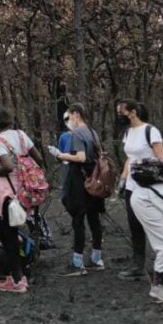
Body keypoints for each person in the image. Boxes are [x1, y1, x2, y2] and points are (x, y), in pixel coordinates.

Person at [0, 107, 44, 293]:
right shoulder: (21, 135)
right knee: (18, 232)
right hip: (24, 191)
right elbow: (39, 158)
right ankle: (22, 272)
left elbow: (8, 166)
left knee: (7, 236)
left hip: (6, 193)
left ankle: (17, 279)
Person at [48, 103, 103, 276]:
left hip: (80, 182)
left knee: (78, 220)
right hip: (94, 180)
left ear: (76, 114)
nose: (69, 120)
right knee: (94, 219)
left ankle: (77, 263)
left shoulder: (77, 133)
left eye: (70, 116)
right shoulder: (93, 132)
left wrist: (60, 155)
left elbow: (80, 157)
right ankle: (96, 258)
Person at [115, 99, 163, 281]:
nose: (119, 115)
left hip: (150, 185)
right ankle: (139, 266)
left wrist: (143, 164)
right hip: (131, 185)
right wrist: (122, 179)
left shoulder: (151, 131)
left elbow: (161, 159)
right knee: (134, 225)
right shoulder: (128, 133)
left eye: (121, 111)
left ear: (133, 112)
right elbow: (130, 158)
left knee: (156, 225)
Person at [58, 111, 73, 202]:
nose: (68, 121)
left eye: (69, 118)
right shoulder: (63, 137)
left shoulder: (84, 133)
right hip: (67, 166)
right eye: (66, 120)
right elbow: (61, 153)